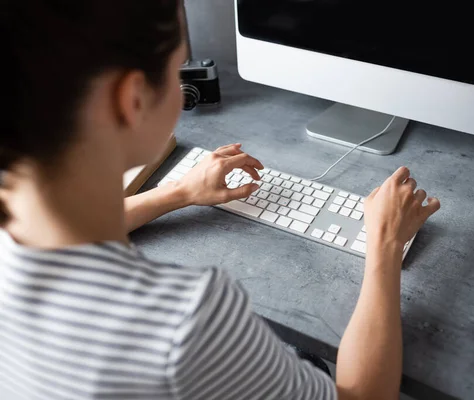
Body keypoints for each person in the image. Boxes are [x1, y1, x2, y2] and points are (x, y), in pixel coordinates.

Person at [0, 1, 440, 399]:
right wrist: (383, 243)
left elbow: (65, 231)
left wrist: (176, 193)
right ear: (131, 101)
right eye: (175, 71)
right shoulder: (183, 324)